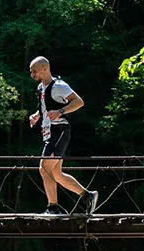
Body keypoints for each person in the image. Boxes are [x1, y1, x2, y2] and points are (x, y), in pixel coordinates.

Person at [28, 56, 98, 216]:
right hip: (48, 132)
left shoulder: (59, 86)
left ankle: (53, 208)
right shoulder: (41, 87)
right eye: (31, 71)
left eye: (34, 71)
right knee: (56, 174)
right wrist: (37, 115)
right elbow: (46, 107)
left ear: (45, 69)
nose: (32, 74)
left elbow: (79, 102)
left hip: (59, 131)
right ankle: (87, 195)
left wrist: (61, 112)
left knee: (44, 168)